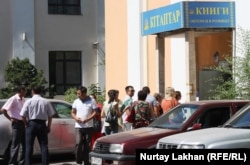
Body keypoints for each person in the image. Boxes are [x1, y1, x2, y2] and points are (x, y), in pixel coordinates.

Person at [20, 86, 55, 165]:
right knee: (44, 146)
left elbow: (22, 115)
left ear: (32, 92)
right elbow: (50, 115)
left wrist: (26, 123)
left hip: (31, 124)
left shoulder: (28, 101)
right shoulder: (46, 101)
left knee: (29, 146)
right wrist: (48, 126)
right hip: (42, 124)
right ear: (41, 92)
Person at [71, 86, 97, 165]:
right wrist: (76, 118)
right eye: (77, 93)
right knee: (78, 143)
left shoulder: (92, 101)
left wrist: (88, 119)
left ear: (84, 93)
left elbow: (95, 112)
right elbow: (72, 112)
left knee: (87, 144)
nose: (78, 95)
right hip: (78, 126)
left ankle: (86, 161)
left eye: (79, 93)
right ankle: (78, 160)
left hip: (88, 126)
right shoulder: (76, 101)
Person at [1, 85, 26, 165]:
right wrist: (10, 118)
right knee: (15, 144)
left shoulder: (23, 99)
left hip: (23, 123)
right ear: (21, 90)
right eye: (24, 90)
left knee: (24, 143)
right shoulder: (13, 99)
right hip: (16, 123)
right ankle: (12, 162)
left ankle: (22, 162)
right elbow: (3, 109)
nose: (25, 92)